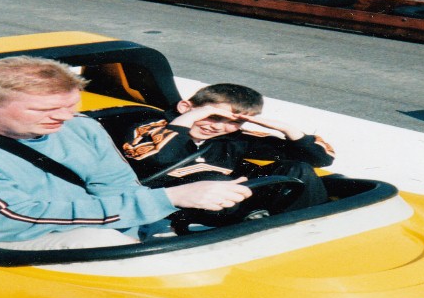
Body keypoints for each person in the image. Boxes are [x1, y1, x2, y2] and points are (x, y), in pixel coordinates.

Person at [0, 56, 252, 249]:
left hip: (63, 221)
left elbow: (117, 186)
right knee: (100, 245)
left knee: (195, 239)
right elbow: (11, 221)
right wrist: (168, 199)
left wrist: (158, 231)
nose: (65, 118)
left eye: (71, 106)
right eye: (48, 110)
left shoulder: (77, 126)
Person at [121, 83, 334, 219]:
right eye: (212, 117)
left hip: (230, 205)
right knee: (216, 180)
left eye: (233, 122)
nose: (217, 127)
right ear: (186, 108)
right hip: (173, 207)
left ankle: (312, 226)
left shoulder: (232, 138)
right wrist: (186, 120)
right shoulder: (149, 128)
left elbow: (321, 159)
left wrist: (286, 129)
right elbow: (159, 158)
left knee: (298, 170)